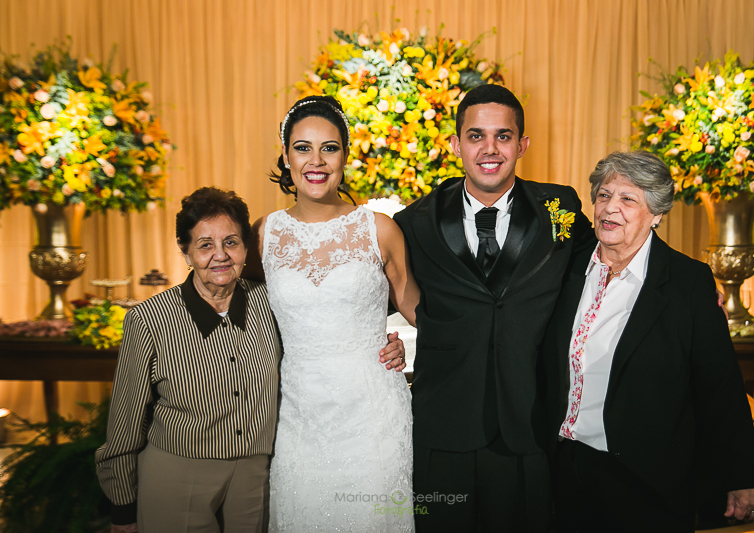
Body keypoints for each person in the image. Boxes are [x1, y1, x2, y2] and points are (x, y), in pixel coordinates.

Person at [393, 84, 594, 531]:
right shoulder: (413, 223)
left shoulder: (559, 208)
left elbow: (608, 260)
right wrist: (381, 342)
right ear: (455, 143)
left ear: (522, 145)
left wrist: (682, 286)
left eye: (503, 136)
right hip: (442, 425)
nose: (490, 148)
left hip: (529, 423)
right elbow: (370, 294)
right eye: (476, 135)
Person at [541, 151, 754, 532]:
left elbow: (720, 386)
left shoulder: (688, 283)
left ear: (657, 213)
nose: (611, 208)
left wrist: (742, 476)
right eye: (603, 195)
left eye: (629, 199)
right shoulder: (568, 265)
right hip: (564, 472)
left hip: (647, 482)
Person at [250, 95, 420, 532]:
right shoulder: (265, 234)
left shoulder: (379, 229)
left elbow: (418, 308)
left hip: (374, 413)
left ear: (345, 155)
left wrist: (406, 348)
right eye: (303, 147)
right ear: (286, 157)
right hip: (299, 416)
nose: (316, 160)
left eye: (329, 147)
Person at [96, 187, 281, 532]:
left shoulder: (273, 304)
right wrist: (123, 510)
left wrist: (383, 344)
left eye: (231, 242)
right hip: (176, 476)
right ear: (185, 252)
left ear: (246, 249)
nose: (220, 255)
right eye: (205, 245)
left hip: (255, 477)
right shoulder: (149, 320)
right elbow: (124, 422)